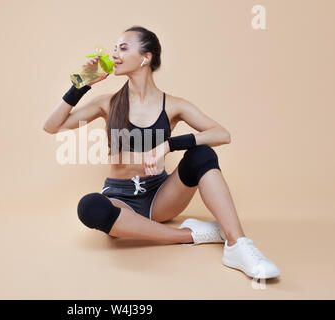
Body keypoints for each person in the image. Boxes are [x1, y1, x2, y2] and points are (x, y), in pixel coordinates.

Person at [43, 26, 280, 280]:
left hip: (160, 198)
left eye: (123, 48)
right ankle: (192, 235)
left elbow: (222, 134)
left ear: (146, 58)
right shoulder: (108, 103)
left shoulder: (174, 105)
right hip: (120, 200)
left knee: (202, 155)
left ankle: (237, 244)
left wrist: (169, 145)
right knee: (90, 207)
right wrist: (81, 83)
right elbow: (52, 126)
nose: (114, 55)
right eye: (114, 49)